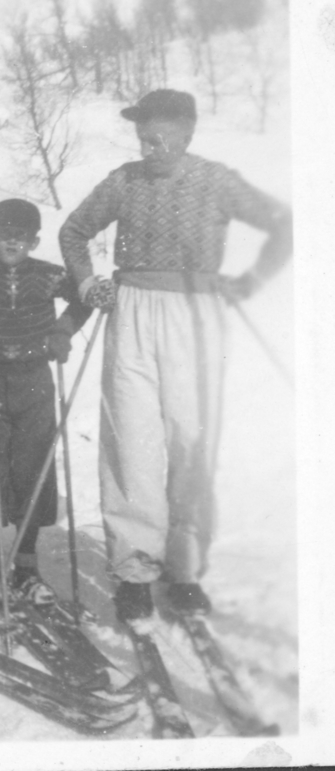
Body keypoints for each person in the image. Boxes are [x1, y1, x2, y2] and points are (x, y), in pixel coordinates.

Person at [58, 89, 292, 621]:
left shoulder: (215, 179)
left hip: (195, 314)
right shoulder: (125, 179)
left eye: (161, 136)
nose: (150, 147)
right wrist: (88, 281)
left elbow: (284, 222)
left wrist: (251, 281)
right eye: (143, 136)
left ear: (187, 134)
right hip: (133, 310)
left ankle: (182, 570)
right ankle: (135, 569)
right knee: (131, 439)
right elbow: (74, 231)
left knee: (191, 437)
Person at [0, 199, 91, 596]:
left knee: (33, 464)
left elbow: (83, 298)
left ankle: (26, 560)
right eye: (4, 235)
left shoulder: (48, 275)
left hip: (34, 380)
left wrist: (62, 332)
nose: (12, 242)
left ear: (34, 240)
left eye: (21, 237)